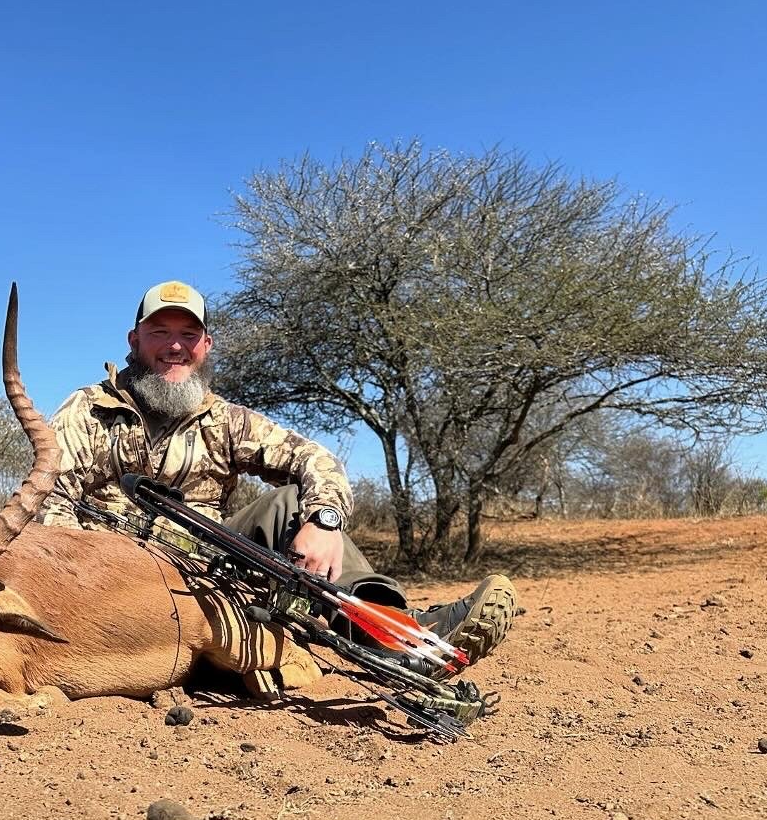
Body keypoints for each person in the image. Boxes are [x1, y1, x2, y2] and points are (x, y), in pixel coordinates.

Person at [37, 279, 516, 676]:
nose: (175, 346)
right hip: (107, 576)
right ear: (134, 340)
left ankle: (394, 632)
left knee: (290, 504)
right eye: (160, 331)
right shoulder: (87, 410)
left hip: (203, 569)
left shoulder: (225, 420)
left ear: (206, 345)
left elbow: (316, 460)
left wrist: (325, 519)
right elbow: (50, 504)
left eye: (189, 334)